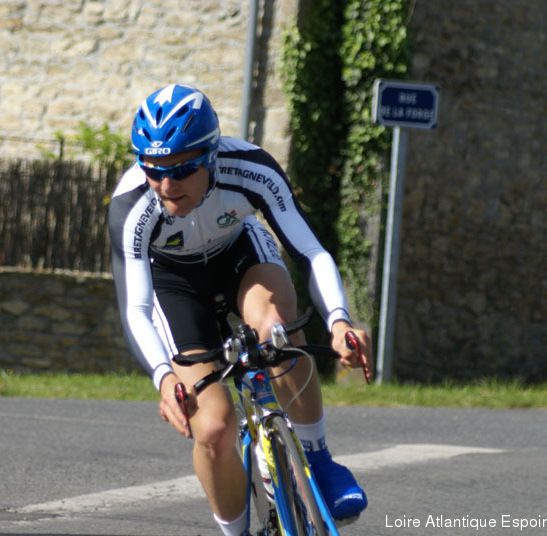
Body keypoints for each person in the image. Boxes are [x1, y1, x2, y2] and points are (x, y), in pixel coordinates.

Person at [108, 84, 372, 536]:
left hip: (239, 256)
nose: (167, 185)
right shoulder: (132, 204)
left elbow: (310, 250)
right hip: (173, 283)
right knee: (213, 428)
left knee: (277, 330)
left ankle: (319, 461)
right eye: (153, 169)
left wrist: (339, 319)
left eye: (182, 168)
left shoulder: (250, 167)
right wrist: (165, 379)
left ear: (211, 155)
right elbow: (136, 306)